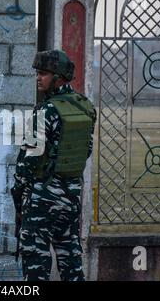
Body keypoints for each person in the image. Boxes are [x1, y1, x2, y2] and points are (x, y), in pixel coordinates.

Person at [11, 50, 96, 281]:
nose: (38, 78)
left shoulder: (46, 111)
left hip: (41, 198)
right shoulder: (86, 107)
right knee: (71, 259)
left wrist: (18, 194)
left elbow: (27, 162)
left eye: (44, 74)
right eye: (38, 73)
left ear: (58, 77)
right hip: (71, 197)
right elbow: (85, 150)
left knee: (36, 263)